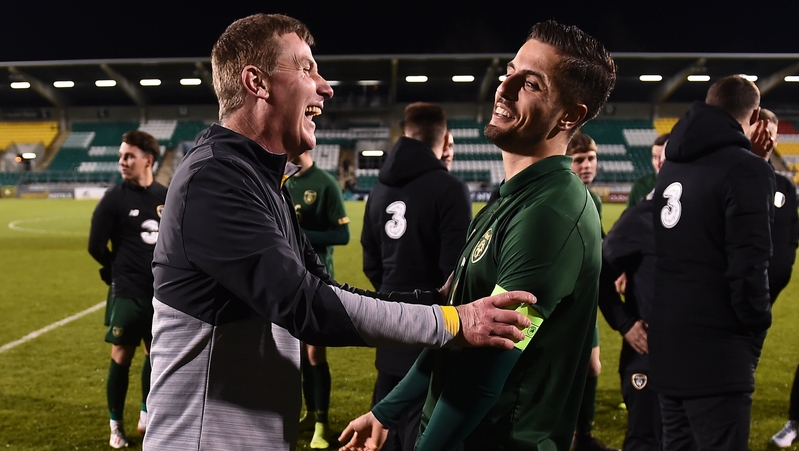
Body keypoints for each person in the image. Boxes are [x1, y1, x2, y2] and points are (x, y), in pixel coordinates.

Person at [143, 14, 534, 451]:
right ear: (256, 82)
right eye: (307, 68)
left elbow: (325, 288)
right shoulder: (215, 180)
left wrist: (438, 300)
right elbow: (308, 306)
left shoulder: (257, 179)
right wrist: (454, 321)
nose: (325, 87)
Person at [340, 19, 617, 451]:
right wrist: (387, 411)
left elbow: (483, 378)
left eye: (531, 84)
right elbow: (456, 335)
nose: (504, 88)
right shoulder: (511, 199)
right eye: (510, 71)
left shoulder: (549, 214)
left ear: (571, 115)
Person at [650, 74, 775, 451]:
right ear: (754, 118)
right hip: (719, 352)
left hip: (668, 343)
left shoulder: (671, 164)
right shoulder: (746, 169)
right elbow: (750, 263)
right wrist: (754, 328)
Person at [361, 102, 472, 451]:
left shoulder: (378, 190)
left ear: (406, 135)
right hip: (431, 331)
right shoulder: (450, 188)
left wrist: (393, 298)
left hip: (388, 323)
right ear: (444, 138)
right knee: (420, 435)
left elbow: (371, 261)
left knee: (385, 428)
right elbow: (454, 272)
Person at [87, 130, 166, 449]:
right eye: (121, 156)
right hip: (128, 291)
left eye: (129, 156)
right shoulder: (114, 198)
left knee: (155, 355)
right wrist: (114, 269)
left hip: (160, 293)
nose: (122, 161)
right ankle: (115, 424)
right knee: (121, 354)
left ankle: (147, 413)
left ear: (148, 160)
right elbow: (95, 245)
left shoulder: (165, 194)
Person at [598, 148, 665, 451]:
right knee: (645, 438)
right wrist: (625, 322)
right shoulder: (643, 216)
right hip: (648, 351)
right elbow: (598, 270)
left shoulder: (708, 217)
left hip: (697, 353)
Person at [285, 149, 351, 448]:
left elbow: (343, 235)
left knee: (314, 353)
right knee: (295, 353)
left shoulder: (324, 183)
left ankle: (322, 425)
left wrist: (300, 235)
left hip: (317, 279)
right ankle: (309, 413)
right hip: (286, 278)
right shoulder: (282, 179)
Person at [565, 131, 619, 451]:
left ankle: (582, 437)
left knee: (592, 366)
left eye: (591, 158)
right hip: (560, 300)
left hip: (586, 298)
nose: (587, 165)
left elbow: (599, 245)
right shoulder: (560, 196)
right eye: (579, 159)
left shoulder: (594, 200)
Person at [755, 108, 799, 448]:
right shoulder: (734, 173)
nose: (767, 135)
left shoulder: (784, 185)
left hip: (770, 291)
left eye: (771, 130)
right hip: (732, 291)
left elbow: (791, 236)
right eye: (760, 128)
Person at [626, 133, 669, 208]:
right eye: (655, 157)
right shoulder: (640, 186)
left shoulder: (685, 186)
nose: (658, 163)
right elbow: (629, 217)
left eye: (663, 158)